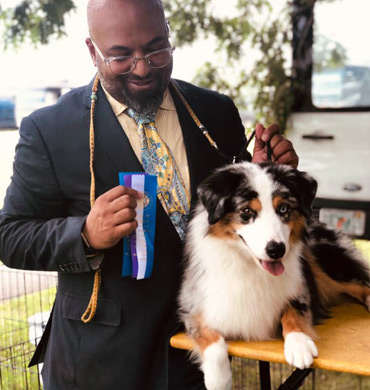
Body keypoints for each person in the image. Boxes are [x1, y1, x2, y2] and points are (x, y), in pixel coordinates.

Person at [0, 0, 298, 389]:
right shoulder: (50, 130)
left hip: (201, 349)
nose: (142, 68)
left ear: (169, 35)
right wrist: (85, 234)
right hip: (101, 360)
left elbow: (238, 218)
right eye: (121, 56)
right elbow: (11, 236)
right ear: (93, 51)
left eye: (156, 49)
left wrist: (264, 175)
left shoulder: (215, 112)